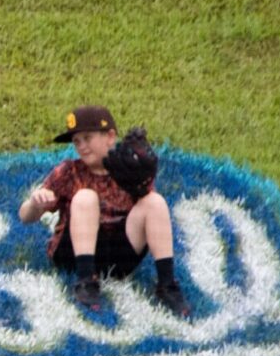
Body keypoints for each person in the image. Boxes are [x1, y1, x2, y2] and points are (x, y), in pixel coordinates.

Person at [17, 105, 192, 316]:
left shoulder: (129, 170)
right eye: (76, 141)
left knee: (155, 202)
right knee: (85, 196)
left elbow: (149, 212)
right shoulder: (70, 170)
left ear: (110, 136)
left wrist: (144, 187)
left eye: (87, 138)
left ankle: (167, 285)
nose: (81, 146)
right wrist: (36, 203)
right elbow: (25, 216)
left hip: (118, 256)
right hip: (71, 254)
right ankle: (85, 281)